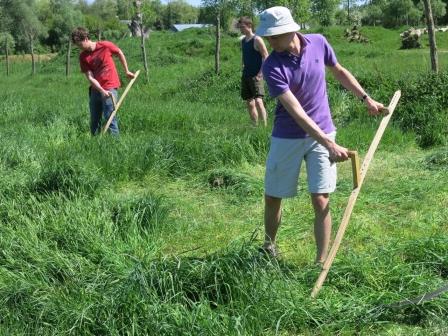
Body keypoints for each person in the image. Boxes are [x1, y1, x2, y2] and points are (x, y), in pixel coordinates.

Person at [256, 7, 384, 263]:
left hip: (324, 129)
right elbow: (296, 113)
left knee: (321, 198)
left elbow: (338, 70)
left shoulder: (318, 42)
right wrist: (329, 144)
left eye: (273, 36)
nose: (269, 41)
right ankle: (269, 247)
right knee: (273, 196)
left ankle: (321, 262)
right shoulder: (272, 65)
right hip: (288, 136)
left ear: (290, 30)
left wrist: (366, 99)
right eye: (267, 36)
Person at [71, 27, 135, 136]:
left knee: (110, 118)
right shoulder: (83, 57)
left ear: (86, 39)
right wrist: (101, 90)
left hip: (110, 86)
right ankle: (95, 146)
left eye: (80, 44)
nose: (80, 48)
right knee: (95, 120)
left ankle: (115, 145)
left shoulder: (105, 46)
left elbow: (119, 52)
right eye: (77, 45)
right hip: (96, 89)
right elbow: (90, 77)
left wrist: (127, 71)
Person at [237, 16, 269, 126]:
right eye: (240, 27)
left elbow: (266, 56)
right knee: (249, 102)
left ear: (249, 26)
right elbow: (244, 55)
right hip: (246, 74)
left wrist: (260, 73)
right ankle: (255, 126)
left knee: (259, 101)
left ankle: (264, 127)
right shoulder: (243, 41)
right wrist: (242, 65)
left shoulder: (257, 39)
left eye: (242, 27)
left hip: (256, 76)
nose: (241, 29)